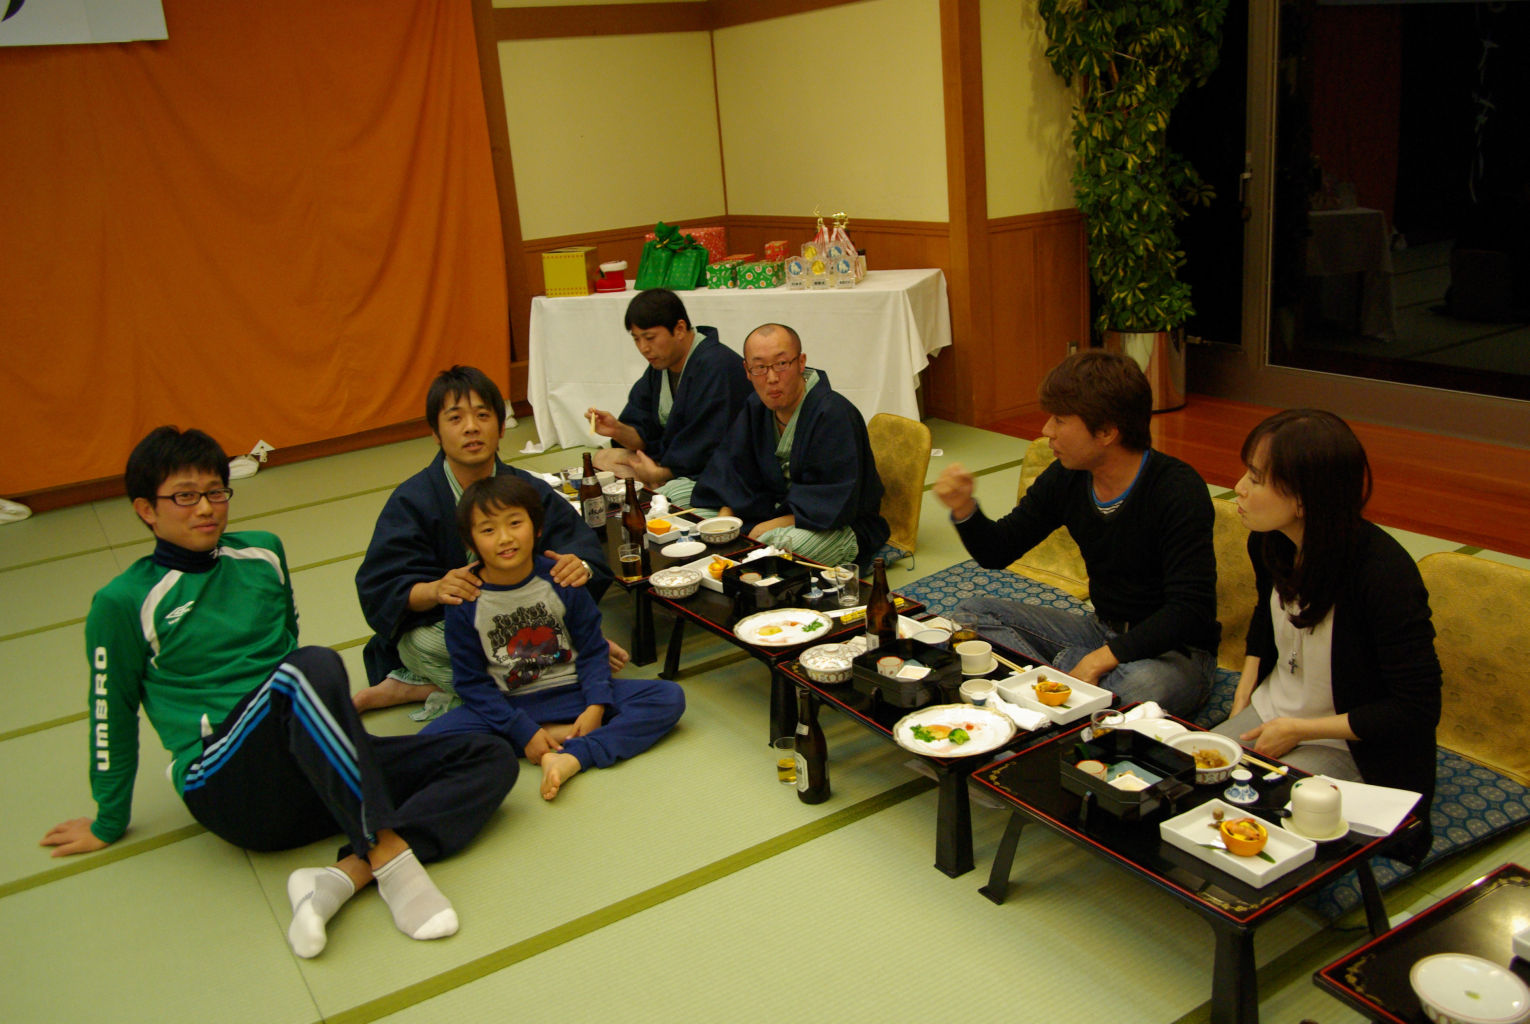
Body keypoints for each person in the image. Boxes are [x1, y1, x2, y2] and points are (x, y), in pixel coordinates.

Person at [40, 427, 516, 959]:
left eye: (216, 491)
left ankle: (339, 879)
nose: (206, 508)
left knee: (488, 755)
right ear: (146, 509)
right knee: (309, 665)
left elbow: (284, 643)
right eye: (185, 496)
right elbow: (111, 712)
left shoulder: (263, 552)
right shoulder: (124, 601)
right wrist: (108, 821)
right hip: (227, 783)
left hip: (314, 775)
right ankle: (390, 858)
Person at [932, 350, 1219, 717]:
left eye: (1060, 419)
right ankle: (1069, 689)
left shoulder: (1176, 489)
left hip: (1173, 652)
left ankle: (1053, 686)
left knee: (1145, 686)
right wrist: (964, 508)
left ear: (1106, 431)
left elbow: (1189, 610)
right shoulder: (1068, 477)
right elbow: (997, 551)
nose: (1046, 431)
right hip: (1100, 630)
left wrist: (1100, 659)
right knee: (973, 614)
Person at [1214, 409, 1441, 857]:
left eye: (1256, 479)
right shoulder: (1269, 539)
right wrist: (1245, 691)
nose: (1238, 487)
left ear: (1304, 499)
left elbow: (1416, 708)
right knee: (1189, 775)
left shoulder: (1383, 573)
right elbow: (1266, 614)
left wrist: (1300, 729)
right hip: (1277, 713)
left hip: (1351, 743)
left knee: (1250, 816)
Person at [354, 366, 623, 719]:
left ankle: (428, 689)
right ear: (435, 432)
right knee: (424, 644)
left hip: (532, 622)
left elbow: (583, 549)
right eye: (455, 418)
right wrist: (435, 589)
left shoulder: (526, 490)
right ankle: (566, 666)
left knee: (550, 628)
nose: (471, 427)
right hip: (457, 629)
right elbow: (381, 587)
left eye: (482, 415)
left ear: (500, 426)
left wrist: (580, 566)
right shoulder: (413, 500)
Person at [420, 475, 685, 800]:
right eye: (488, 530)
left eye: (515, 523)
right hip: (508, 703)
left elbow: (592, 651)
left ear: (537, 528)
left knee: (667, 697)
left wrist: (595, 706)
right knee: (427, 744)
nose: (504, 538)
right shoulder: (465, 597)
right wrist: (521, 729)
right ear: (470, 543)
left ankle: (572, 756)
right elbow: (471, 682)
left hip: (573, 693)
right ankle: (553, 736)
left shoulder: (561, 576)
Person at [688, 323, 889, 566]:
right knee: (685, 511)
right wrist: (725, 520)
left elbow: (834, 501)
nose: (772, 378)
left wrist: (767, 526)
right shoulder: (756, 406)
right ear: (747, 371)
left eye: (781, 364)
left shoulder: (833, 413)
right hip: (770, 510)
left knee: (779, 551)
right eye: (760, 367)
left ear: (801, 362)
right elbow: (734, 471)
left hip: (835, 526)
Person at [586, 288, 752, 498]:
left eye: (650, 338)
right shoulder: (661, 366)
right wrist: (618, 430)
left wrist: (661, 472)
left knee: (665, 493)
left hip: (718, 473)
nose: (644, 348)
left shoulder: (717, 366)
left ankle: (661, 492)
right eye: (636, 339)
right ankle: (657, 491)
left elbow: (710, 446)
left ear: (680, 329)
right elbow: (645, 434)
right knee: (602, 460)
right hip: (672, 465)